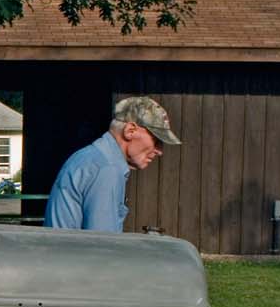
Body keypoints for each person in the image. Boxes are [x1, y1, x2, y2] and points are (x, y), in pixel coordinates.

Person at [43, 96, 179, 232]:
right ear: (130, 131)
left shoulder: (90, 157)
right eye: (156, 140)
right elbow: (104, 245)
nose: (160, 151)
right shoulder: (107, 169)